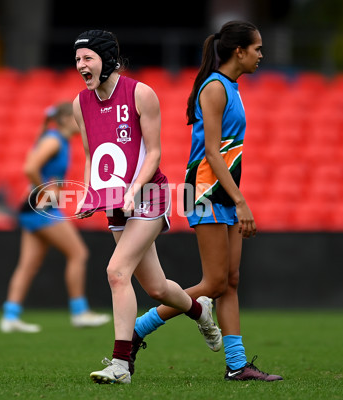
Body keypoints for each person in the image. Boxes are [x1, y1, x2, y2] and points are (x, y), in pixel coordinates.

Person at [131, 21, 283, 381]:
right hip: (203, 192)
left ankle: (236, 365)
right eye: (257, 48)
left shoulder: (230, 86)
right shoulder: (215, 88)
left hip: (217, 193)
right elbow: (213, 154)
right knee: (214, 284)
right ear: (239, 51)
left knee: (229, 281)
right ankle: (138, 328)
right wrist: (242, 202)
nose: (262, 54)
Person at [72, 29, 221, 384]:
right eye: (77, 59)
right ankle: (201, 310)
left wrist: (133, 190)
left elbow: (153, 153)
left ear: (107, 59)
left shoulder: (141, 93)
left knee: (116, 272)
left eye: (87, 58)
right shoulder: (80, 104)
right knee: (156, 287)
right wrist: (90, 193)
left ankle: (120, 365)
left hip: (149, 195)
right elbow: (92, 155)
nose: (81, 66)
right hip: (116, 201)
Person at [0, 102, 110, 333]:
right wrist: (45, 190)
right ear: (65, 119)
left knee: (29, 264)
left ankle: (10, 316)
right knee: (78, 253)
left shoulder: (57, 139)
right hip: (42, 207)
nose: (82, 122)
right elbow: (30, 167)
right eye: (77, 118)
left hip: (35, 207)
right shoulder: (53, 140)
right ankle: (80, 313)